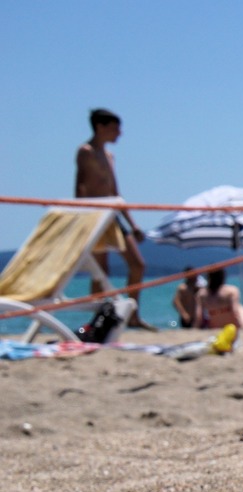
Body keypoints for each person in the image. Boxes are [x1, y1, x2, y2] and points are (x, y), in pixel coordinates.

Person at [75, 108, 153, 329]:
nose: (119, 133)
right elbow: (79, 187)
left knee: (137, 264)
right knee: (101, 272)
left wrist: (133, 224)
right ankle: (96, 318)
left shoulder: (109, 156)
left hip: (112, 214)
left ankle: (132, 315)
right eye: (115, 128)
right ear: (100, 127)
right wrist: (80, 219)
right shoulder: (86, 152)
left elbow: (115, 193)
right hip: (93, 215)